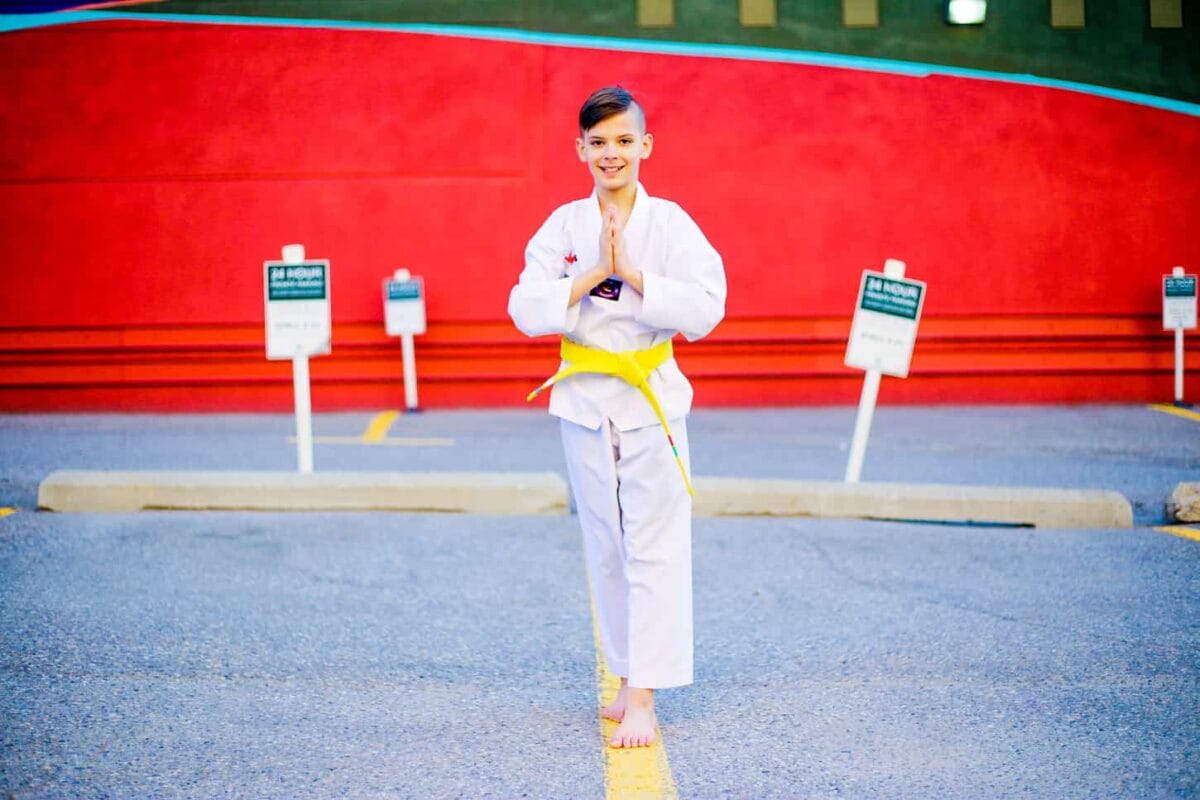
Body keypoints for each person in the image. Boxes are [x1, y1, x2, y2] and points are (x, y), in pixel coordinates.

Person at [508, 86, 726, 749]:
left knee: (653, 547)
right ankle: (627, 675)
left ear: (645, 146)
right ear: (580, 150)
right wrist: (592, 273)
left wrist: (633, 274)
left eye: (624, 141)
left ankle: (646, 700)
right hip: (582, 401)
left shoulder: (672, 225)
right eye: (598, 143)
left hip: (650, 398)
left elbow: (709, 305)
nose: (612, 154)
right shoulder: (563, 225)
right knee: (604, 545)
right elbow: (522, 305)